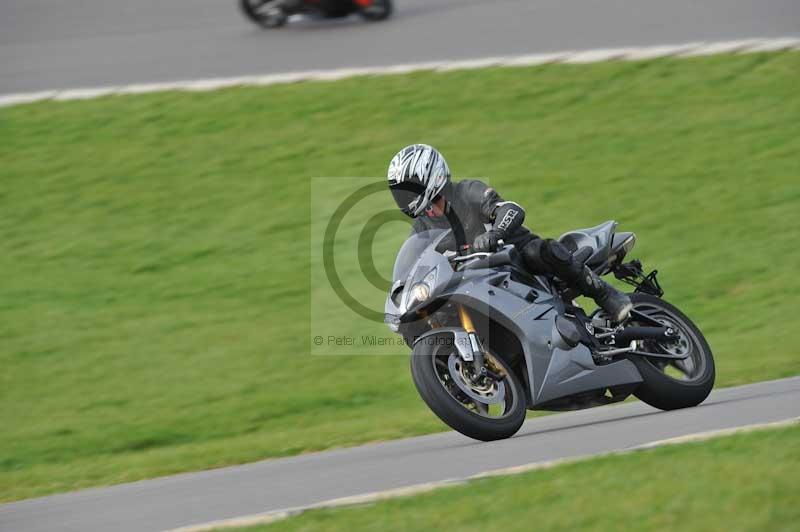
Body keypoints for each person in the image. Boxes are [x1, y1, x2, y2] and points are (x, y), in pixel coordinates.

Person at [387, 143, 632, 322]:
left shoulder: (467, 191)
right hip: (478, 283)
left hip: (516, 261)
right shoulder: (422, 226)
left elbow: (511, 209)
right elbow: (416, 260)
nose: (410, 200)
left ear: (432, 178)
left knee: (539, 251)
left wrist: (495, 233)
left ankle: (605, 294)